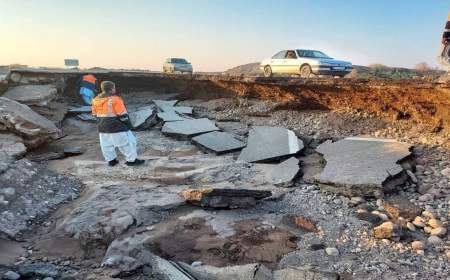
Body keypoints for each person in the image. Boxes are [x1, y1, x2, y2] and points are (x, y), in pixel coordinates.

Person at [91, 81, 145, 166]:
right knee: (128, 143)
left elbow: (94, 115)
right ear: (111, 89)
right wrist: (129, 125)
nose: (115, 89)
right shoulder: (115, 100)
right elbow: (123, 115)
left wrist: (102, 122)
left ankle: (111, 161)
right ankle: (132, 161)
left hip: (102, 127)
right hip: (117, 126)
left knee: (106, 145)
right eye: (114, 88)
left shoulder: (95, 100)